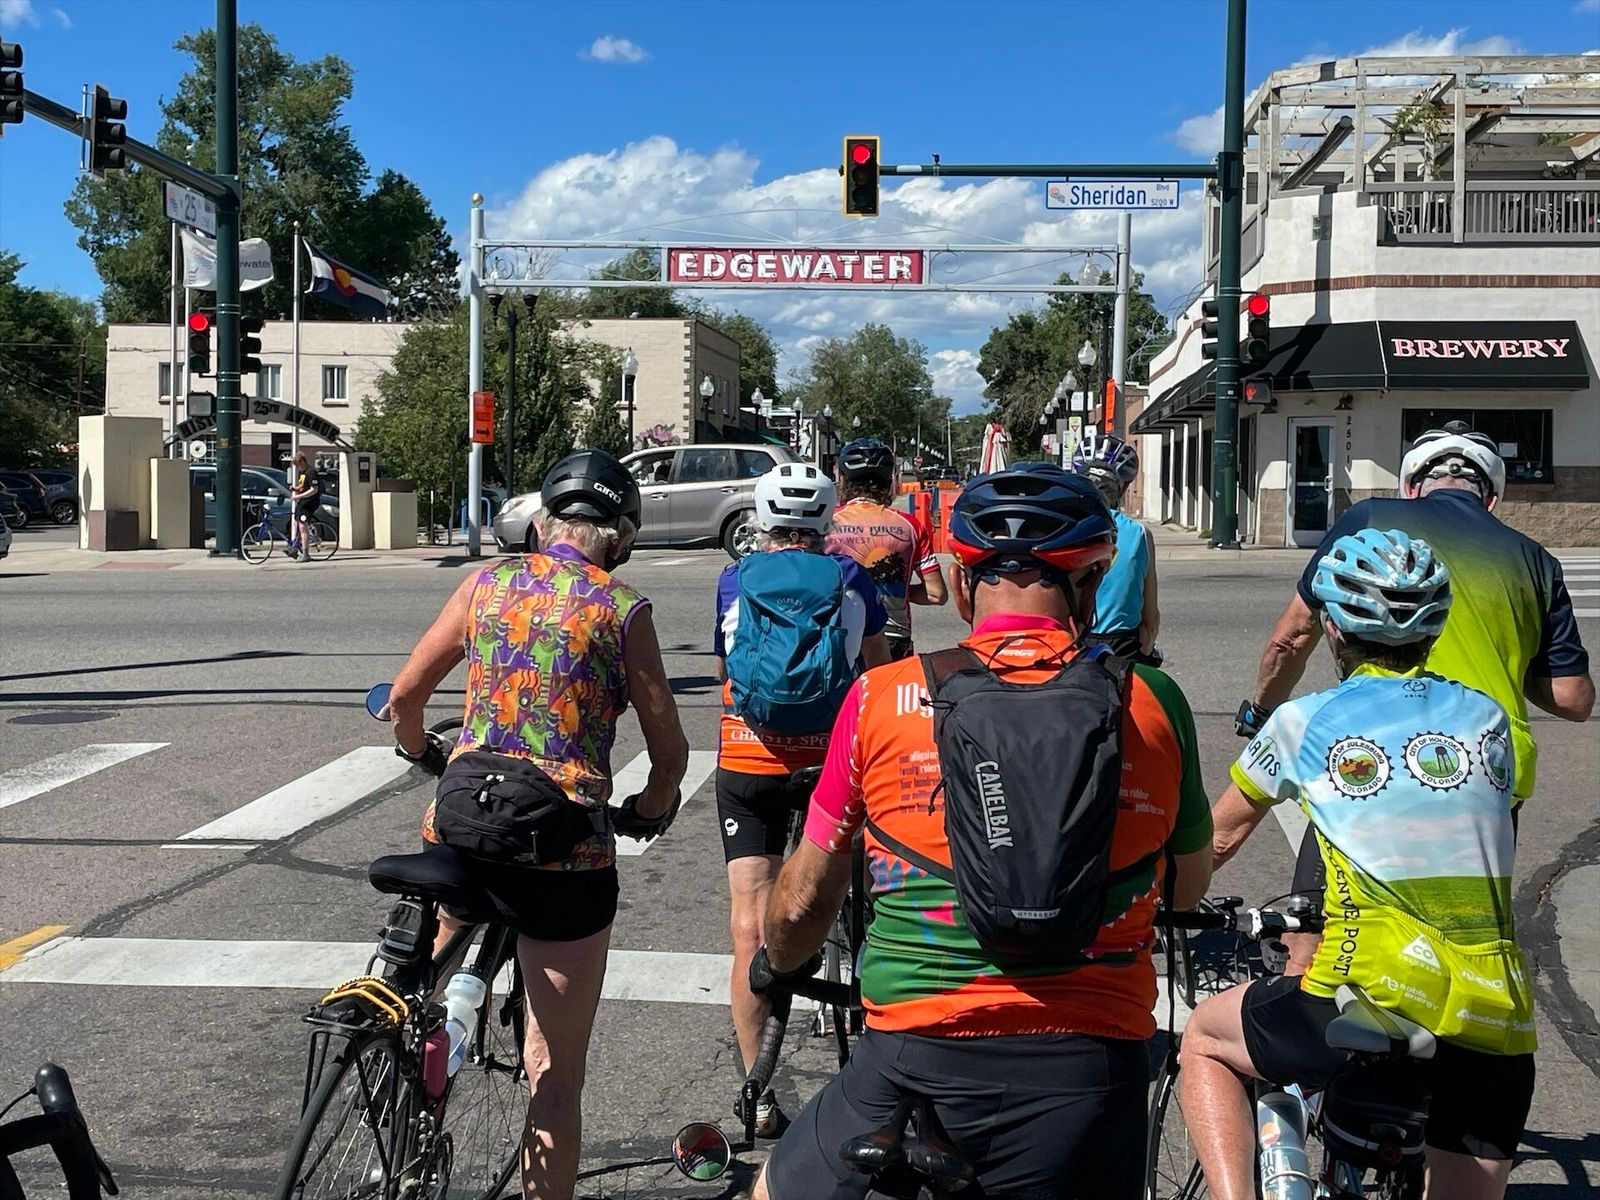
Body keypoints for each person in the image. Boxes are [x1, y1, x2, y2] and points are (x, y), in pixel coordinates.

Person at [751, 464, 1214, 1200]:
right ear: (1092, 584)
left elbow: (806, 899)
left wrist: (776, 960)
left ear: (963, 584)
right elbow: (1186, 887)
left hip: (915, 1058)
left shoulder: (881, 697)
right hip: (1093, 1072)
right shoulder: (1155, 702)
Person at [1184, 528, 1536, 1200]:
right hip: (1496, 1011)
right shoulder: (1490, 720)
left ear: (1333, 630)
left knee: (1204, 1036)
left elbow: (1217, 841)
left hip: (1365, 988)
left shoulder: (1301, 722)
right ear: (1435, 631)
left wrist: (1153, 905)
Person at [387, 449, 688, 1200]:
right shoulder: (622, 609)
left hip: (462, 823)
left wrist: (420, 749)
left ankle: (406, 1073)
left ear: (542, 524)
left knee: (426, 965)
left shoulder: (486, 584)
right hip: (563, 854)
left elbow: (406, 696)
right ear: (621, 539)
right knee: (554, 1075)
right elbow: (669, 751)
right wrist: (652, 808)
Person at [1242, 422, 1592, 969]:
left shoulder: (1369, 520)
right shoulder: (1536, 559)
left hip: (1369, 753)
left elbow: (1291, 637)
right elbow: (1573, 697)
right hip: (1487, 771)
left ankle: (1301, 993)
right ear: (1491, 497)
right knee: (1465, 942)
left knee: (1316, 936)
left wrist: (1262, 711)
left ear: (1410, 486)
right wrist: (1504, 653)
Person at [714, 461, 890, 1137]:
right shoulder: (850, 576)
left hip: (748, 762)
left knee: (747, 927)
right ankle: (870, 1071)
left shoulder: (734, 577)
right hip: (829, 766)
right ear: (826, 520)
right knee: (859, 903)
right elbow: (877, 672)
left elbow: (728, 667)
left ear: (762, 518)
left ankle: (756, 1093)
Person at [826, 437, 948, 659]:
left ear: (842, 478)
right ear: (890, 480)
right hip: (894, 638)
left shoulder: (826, 524)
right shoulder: (910, 526)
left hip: (841, 636)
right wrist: (895, 589)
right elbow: (936, 594)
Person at [1069, 434, 1159, 659]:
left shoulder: (1064, 527)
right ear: (1123, 486)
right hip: (1122, 649)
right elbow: (1149, 623)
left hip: (1073, 647)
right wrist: (1144, 651)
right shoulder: (1139, 534)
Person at [287, 451, 321, 560]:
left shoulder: (311, 472)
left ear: (302, 461)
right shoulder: (303, 473)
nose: (297, 467)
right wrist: (295, 489)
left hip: (309, 503)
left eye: (297, 465)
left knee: (302, 527)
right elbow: (303, 487)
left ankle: (306, 554)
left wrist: (298, 496)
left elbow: (314, 489)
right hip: (303, 502)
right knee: (296, 524)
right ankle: (295, 547)